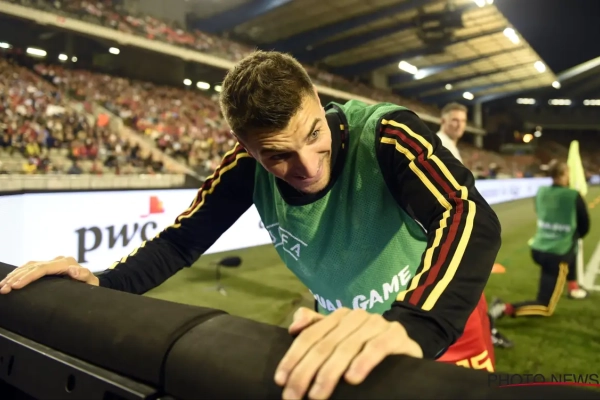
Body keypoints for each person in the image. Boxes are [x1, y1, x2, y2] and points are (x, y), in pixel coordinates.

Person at [0, 51, 502, 400]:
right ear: (245, 147)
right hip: (336, 333)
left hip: (432, 316)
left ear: (317, 99)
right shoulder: (241, 169)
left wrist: (415, 325)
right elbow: (180, 242)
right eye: (278, 155)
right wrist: (100, 283)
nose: (309, 166)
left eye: (314, 133)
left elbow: (467, 213)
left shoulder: (387, 133)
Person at [436, 102, 513, 350]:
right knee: (464, 284)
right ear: (443, 120)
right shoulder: (439, 146)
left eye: (462, 120)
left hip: (452, 227)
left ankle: (482, 330)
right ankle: (476, 335)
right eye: (454, 119)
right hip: (446, 229)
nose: (459, 125)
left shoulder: (449, 147)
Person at [489, 160, 590, 322]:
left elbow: (539, 211)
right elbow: (584, 225)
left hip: (539, 248)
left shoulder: (541, 192)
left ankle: (573, 288)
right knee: (545, 307)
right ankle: (503, 309)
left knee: (571, 250)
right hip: (557, 254)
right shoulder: (573, 195)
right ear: (563, 175)